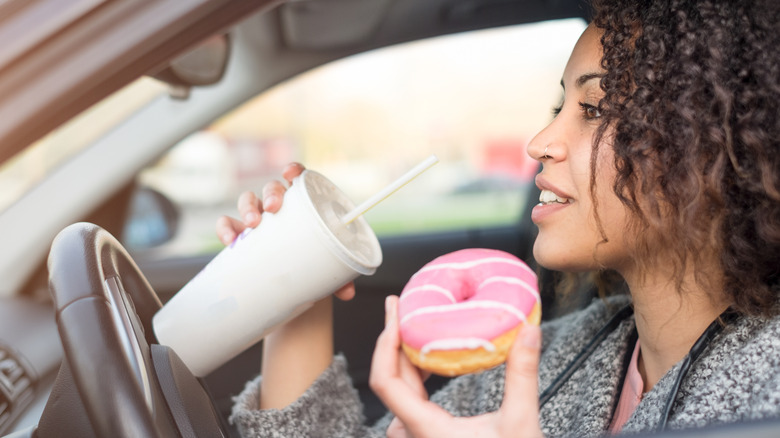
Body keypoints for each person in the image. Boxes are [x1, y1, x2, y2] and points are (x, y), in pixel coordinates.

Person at [217, 0, 780, 436]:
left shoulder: (767, 384)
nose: (540, 142)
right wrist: (298, 289)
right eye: (560, 107)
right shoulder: (558, 351)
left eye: (595, 109)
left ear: (718, 148)